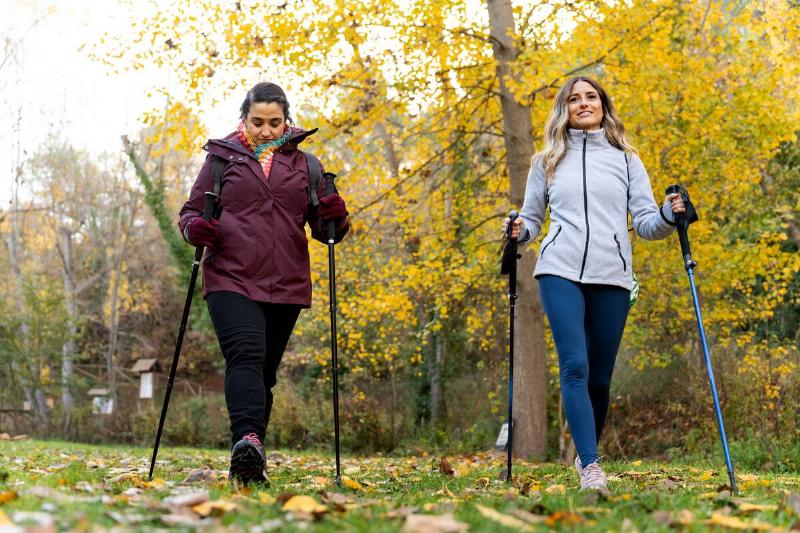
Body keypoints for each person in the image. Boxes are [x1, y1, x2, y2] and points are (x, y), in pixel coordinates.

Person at [503, 76, 684, 491]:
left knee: (600, 377)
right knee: (575, 365)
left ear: (603, 104)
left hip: (612, 274)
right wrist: (518, 230)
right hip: (559, 268)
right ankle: (591, 468)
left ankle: (588, 455)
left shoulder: (626, 160)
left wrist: (669, 215)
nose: (583, 104)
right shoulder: (545, 161)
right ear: (563, 109)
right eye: (574, 99)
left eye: (591, 97)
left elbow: (645, 223)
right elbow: (531, 220)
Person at [179, 82, 350, 485]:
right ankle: (248, 438)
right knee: (246, 357)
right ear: (244, 119)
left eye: (275, 122)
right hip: (230, 276)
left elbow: (328, 231)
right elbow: (189, 214)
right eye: (258, 122)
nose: (266, 130)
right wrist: (195, 229)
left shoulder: (306, 165)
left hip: (286, 281)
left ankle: (251, 461)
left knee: (264, 374)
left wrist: (335, 216)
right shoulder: (223, 159)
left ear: (286, 120)